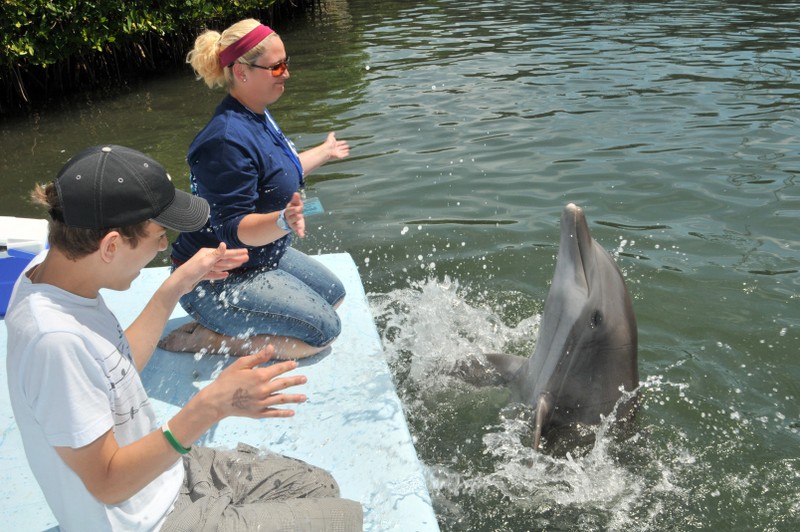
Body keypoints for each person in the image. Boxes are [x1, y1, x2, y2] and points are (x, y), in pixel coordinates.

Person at [5, 145, 363, 531]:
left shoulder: (51, 277)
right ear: (110, 245)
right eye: (159, 237)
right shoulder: (55, 341)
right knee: (343, 520)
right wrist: (210, 406)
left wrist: (177, 285)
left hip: (165, 476)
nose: (164, 247)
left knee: (320, 485)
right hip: (149, 519)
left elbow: (114, 369)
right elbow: (107, 483)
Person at [159, 18, 350, 360]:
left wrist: (324, 151)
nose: (286, 73)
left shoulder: (258, 114)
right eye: (276, 67)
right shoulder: (225, 141)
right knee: (323, 333)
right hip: (215, 279)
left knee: (334, 293)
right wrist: (282, 221)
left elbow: (279, 173)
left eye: (286, 63)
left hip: (260, 256)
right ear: (243, 73)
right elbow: (231, 230)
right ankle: (205, 338)